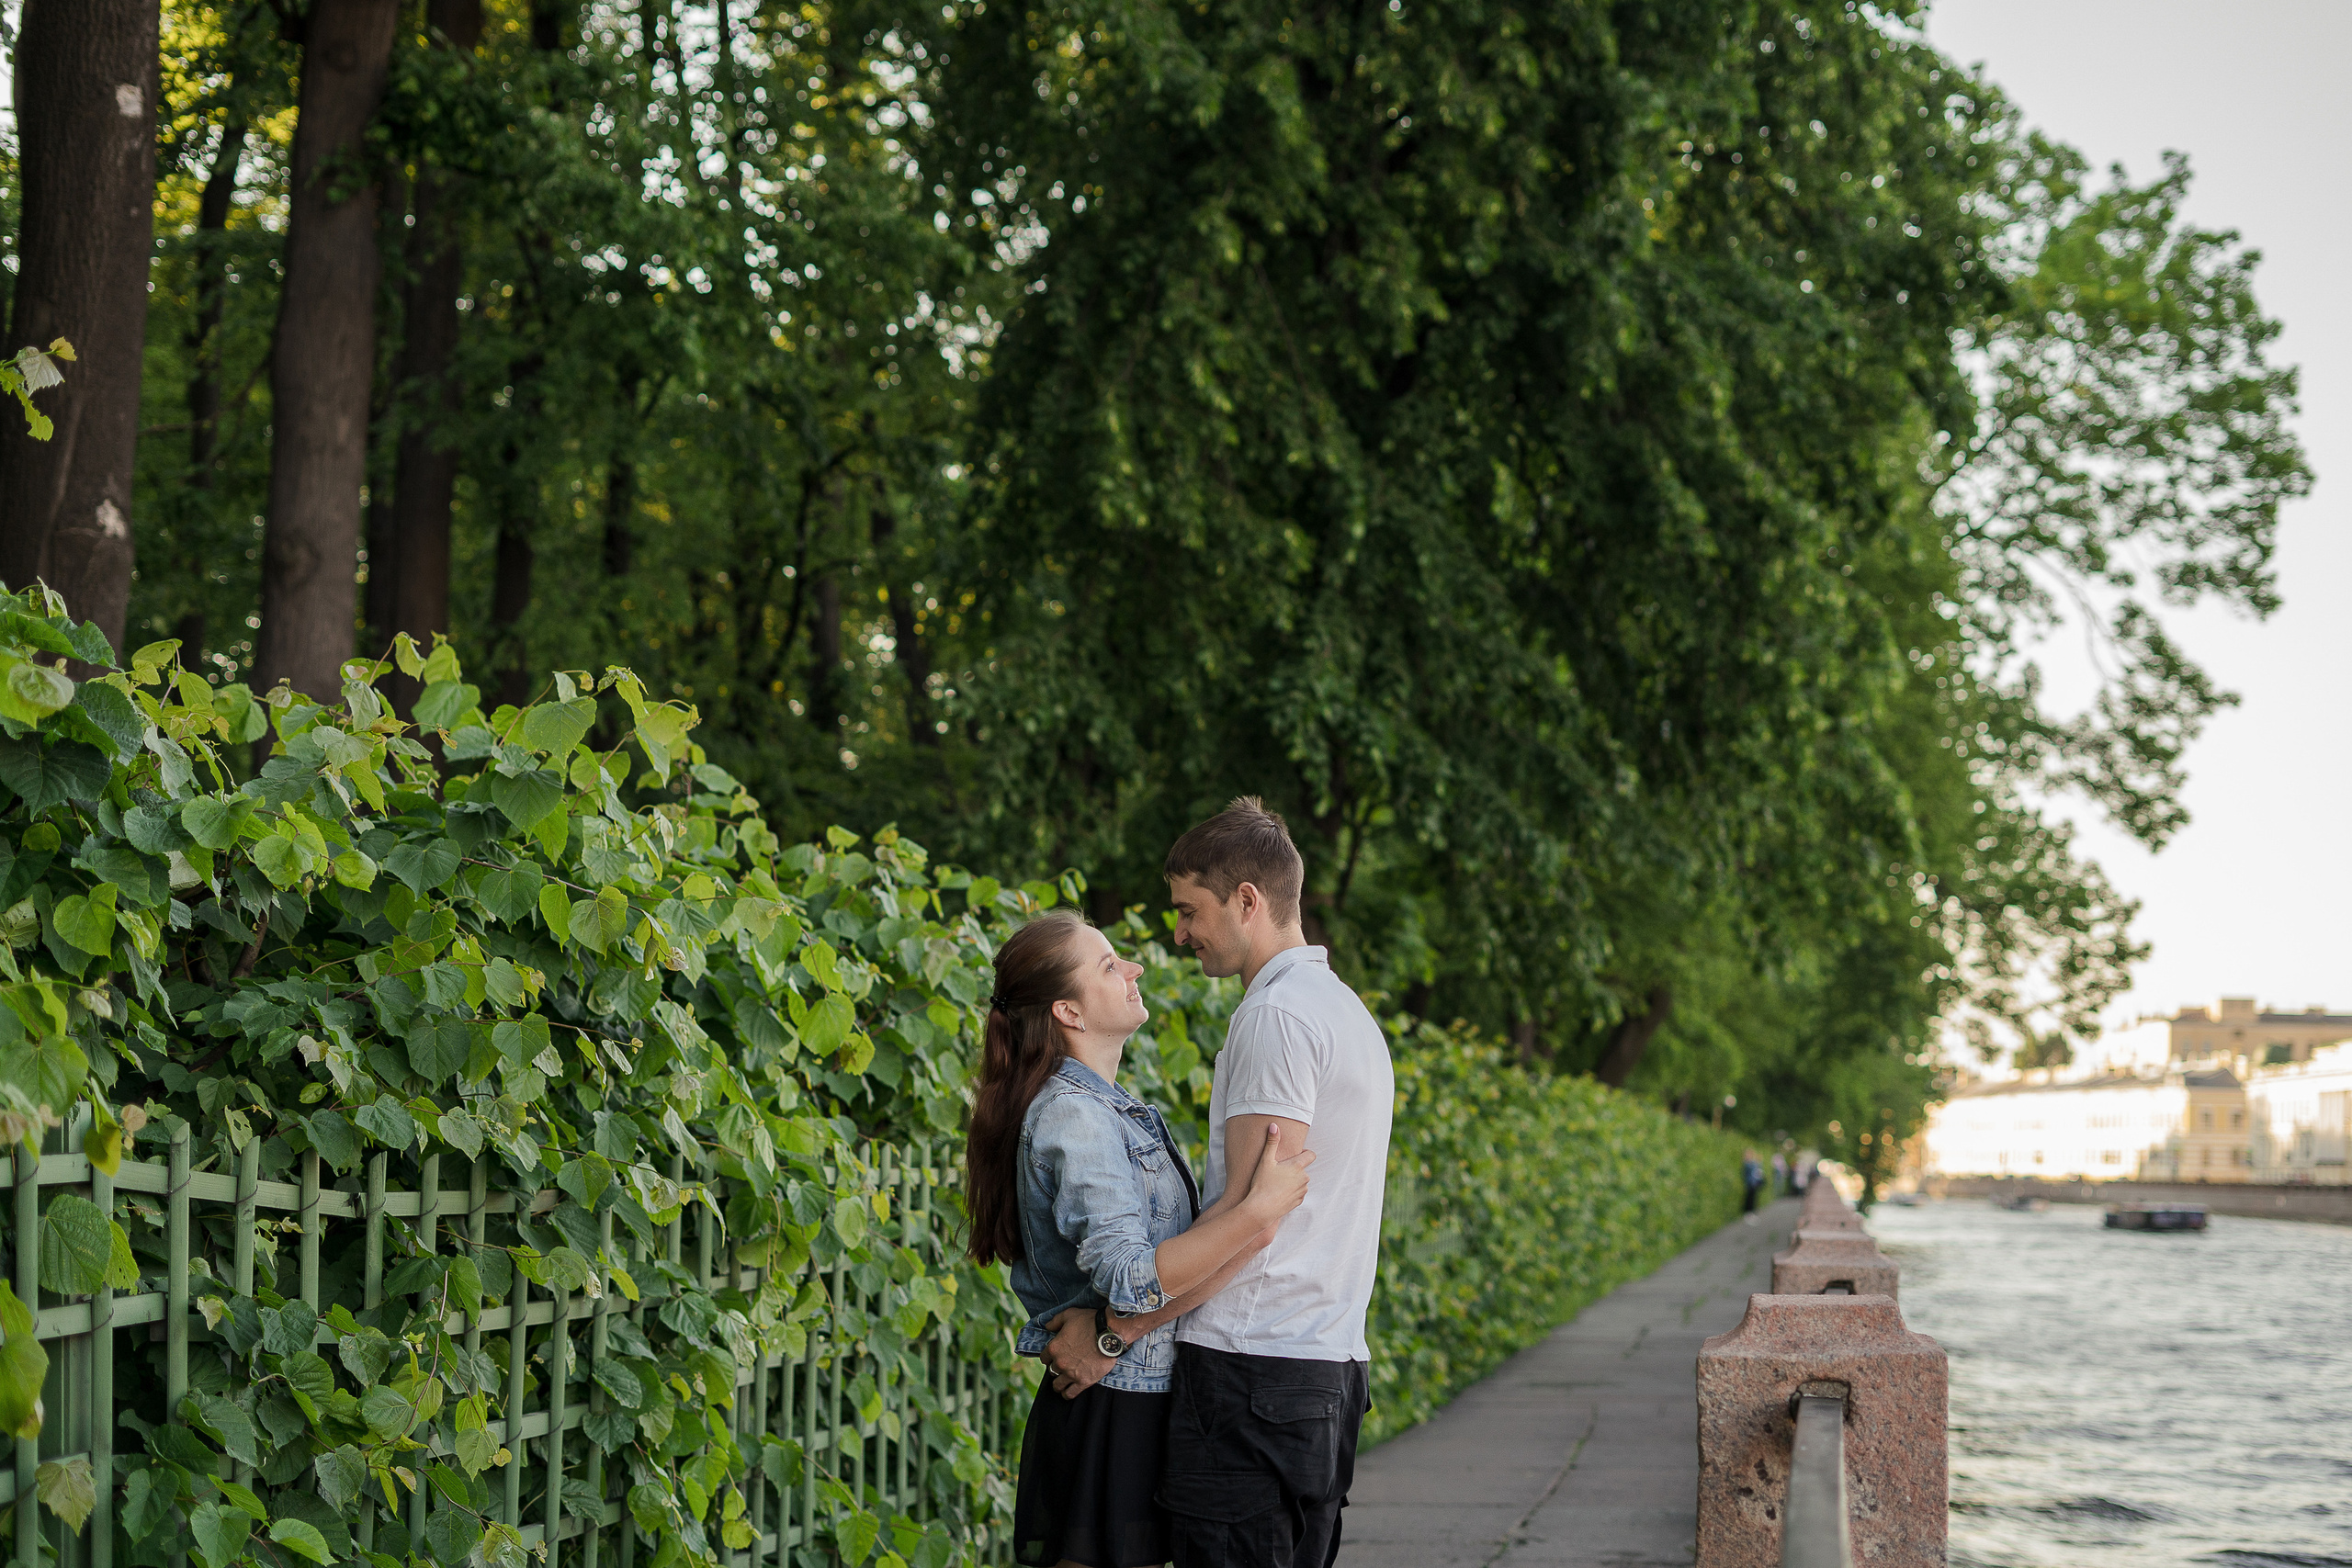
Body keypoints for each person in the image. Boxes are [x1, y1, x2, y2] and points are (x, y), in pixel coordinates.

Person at [1048, 796, 1394, 1568]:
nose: (1177, 933)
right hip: (1322, 1372)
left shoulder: (1276, 1017)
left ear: (1247, 900)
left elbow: (1251, 1219)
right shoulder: (1345, 1012)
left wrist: (1113, 1334)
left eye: (1187, 909)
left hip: (1250, 1377)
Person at [965, 908, 1316, 1568]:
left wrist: (1255, 1222)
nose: (1135, 968)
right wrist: (1254, 1212)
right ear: (1069, 1011)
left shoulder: (1112, 1107)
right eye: (1109, 964)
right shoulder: (1075, 1114)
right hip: (1112, 1408)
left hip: (1134, 1396)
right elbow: (1132, 1275)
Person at [1741, 1147, 1766, 1215]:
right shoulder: (1747, 1164)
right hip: (1750, 1183)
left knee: (1753, 1197)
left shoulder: (1751, 1163)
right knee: (1749, 1198)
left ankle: (1752, 1211)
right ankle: (1748, 1212)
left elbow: (1757, 1169)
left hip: (1754, 1183)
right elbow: (1751, 1170)